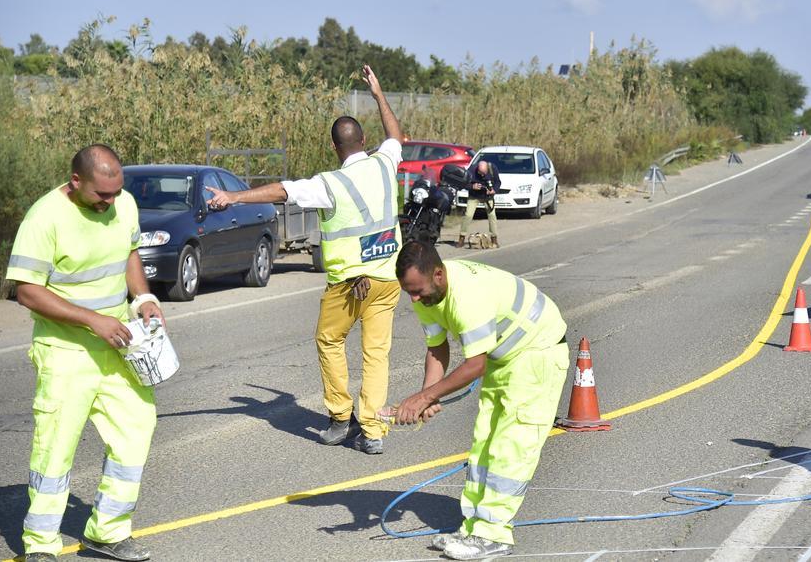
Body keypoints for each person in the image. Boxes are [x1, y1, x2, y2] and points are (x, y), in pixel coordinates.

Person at [204, 64, 403, 455]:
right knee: (377, 354)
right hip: (386, 280)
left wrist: (234, 197)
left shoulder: (328, 184)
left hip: (348, 285)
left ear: (335, 148)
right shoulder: (385, 163)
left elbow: (281, 191)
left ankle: (341, 418)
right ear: (364, 140)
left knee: (330, 341)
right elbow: (396, 135)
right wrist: (378, 94)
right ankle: (374, 432)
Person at [7, 144, 164, 562]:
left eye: (116, 192)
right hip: (65, 351)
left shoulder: (124, 203)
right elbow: (26, 290)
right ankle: (41, 545)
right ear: (76, 181)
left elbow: (128, 253)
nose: (111, 202)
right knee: (55, 448)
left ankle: (107, 532)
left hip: (117, 345)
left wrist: (144, 298)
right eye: (101, 195)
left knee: (137, 425)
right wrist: (92, 320)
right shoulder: (45, 217)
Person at [391, 241, 569, 560]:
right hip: (505, 358)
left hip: (536, 352)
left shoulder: (467, 296)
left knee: (512, 445)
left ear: (439, 274)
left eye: (417, 290)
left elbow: (475, 365)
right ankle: (473, 527)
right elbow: (437, 347)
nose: (414, 299)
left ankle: (494, 535)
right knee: (484, 442)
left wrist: (425, 396)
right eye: (409, 291)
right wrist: (427, 396)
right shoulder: (426, 294)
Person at [457, 160, 500, 249]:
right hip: (474, 196)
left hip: (487, 197)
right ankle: (461, 237)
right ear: (477, 169)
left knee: (492, 216)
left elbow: (498, 182)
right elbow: (464, 183)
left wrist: (494, 190)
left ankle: (494, 238)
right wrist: (472, 186)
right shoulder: (471, 170)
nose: (483, 175)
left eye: (484, 173)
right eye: (481, 173)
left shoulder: (493, 169)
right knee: (468, 215)